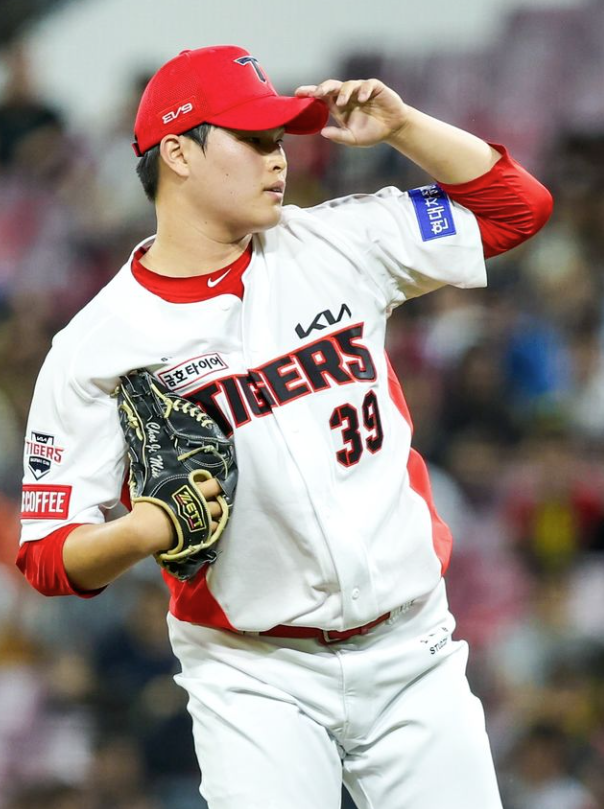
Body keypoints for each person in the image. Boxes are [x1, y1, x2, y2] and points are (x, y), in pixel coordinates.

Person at [17, 45, 553, 809]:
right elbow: (44, 555)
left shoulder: (340, 240)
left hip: (411, 647)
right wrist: (141, 531)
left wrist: (406, 126)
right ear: (178, 153)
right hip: (254, 675)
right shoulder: (96, 344)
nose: (279, 158)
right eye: (254, 138)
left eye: (280, 138)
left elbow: (517, 208)